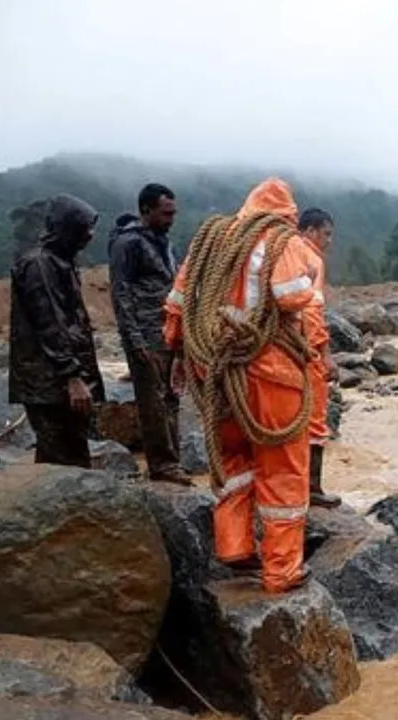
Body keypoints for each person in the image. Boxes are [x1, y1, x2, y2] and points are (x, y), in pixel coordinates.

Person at [163, 177, 319, 593]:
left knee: (234, 458)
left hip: (212, 368)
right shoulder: (279, 239)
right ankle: (282, 570)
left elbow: (177, 304)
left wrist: (177, 354)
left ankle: (234, 548)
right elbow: (291, 295)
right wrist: (312, 263)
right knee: (282, 465)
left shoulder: (210, 240)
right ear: (288, 214)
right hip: (267, 371)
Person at [8, 194, 105, 467]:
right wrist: (72, 378)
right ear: (66, 227)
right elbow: (50, 324)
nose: (90, 235)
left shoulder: (61, 260)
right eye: (84, 228)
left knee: (67, 452)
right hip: (48, 383)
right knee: (63, 458)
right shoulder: (40, 265)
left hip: (57, 380)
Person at [108, 183, 189, 484]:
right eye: (165, 213)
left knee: (171, 397)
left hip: (168, 333)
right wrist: (135, 339)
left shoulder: (164, 243)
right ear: (146, 211)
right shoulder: (127, 244)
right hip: (145, 334)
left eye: (173, 213)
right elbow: (121, 294)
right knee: (152, 401)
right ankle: (162, 464)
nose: (171, 219)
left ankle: (173, 460)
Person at [298, 207, 342, 508]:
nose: (329, 241)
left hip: (283, 352)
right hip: (306, 351)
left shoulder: (285, 252)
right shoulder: (310, 258)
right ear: (310, 230)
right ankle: (312, 488)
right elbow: (312, 311)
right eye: (326, 233)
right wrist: (325, 354)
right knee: (315, 419)